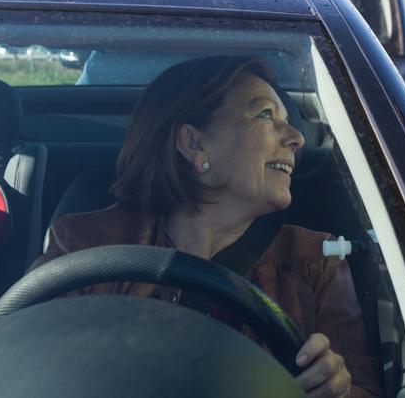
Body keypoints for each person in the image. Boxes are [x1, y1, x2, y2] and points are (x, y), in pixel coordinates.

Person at [33, 55, 381, 398]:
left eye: (288, 121)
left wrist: (338, 390)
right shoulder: (86, 248)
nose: (296, 138)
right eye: (265, 114)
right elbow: (18, 362)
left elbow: (365, 390)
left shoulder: (315, 260)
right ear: (194, 144)